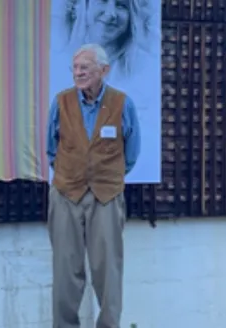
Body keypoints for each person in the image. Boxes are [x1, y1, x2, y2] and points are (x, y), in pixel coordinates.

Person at [46, 43, 141, 328]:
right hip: (66, 194)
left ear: (104, 70)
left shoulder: (122, 103)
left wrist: (106, 176)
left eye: (85, 67)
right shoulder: (61, 101)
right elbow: (52, 149)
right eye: (75, 68)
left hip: (107, 196)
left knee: (108, 271)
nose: (79, 73)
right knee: (65, 270)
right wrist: (72, 173)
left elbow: (132, 152)